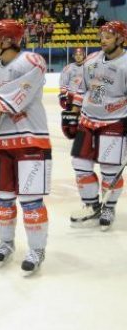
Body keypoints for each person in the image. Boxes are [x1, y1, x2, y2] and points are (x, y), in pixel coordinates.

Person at [0, 19, 51, 274]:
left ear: (7, 40)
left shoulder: (31, 62)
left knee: (30, 200)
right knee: (2, 199)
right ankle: (6, 243)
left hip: (30, 139)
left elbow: (8, 103)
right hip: (0, 141)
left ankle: (36, 249)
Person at [63, 21, 127, 230]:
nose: (102, 40)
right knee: (80, 165)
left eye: (108, 37)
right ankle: (91, 206)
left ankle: (109, 206)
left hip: (114, 121)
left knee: (110, 170)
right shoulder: (91, 60)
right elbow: (82, 89)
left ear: (120, 39)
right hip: (87, 120)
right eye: (101, 36)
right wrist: (72, 115)